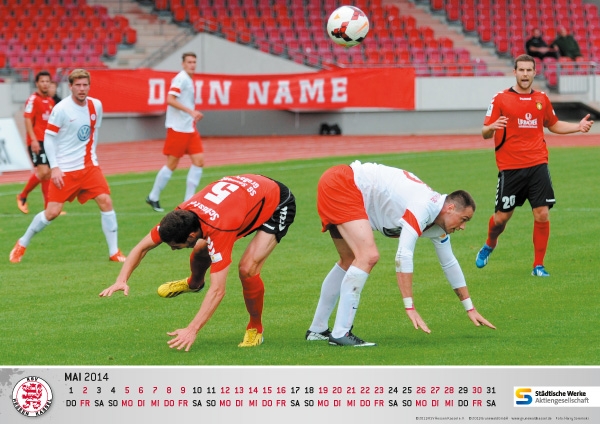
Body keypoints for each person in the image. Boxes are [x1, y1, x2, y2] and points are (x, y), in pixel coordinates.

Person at [306, 161, 496, 347]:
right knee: (368, 256)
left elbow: (449, 262)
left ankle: (318, 329)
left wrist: (470, 308)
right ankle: (341, 333)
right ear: (450, 208)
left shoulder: (438, 223)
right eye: (463, 219)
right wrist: (409, 306)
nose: (462, 227)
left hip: (340, 184)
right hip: (343, 183)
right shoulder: (424, 206)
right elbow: (403, 255)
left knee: (349, 261)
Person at [100, 173, 296, 350]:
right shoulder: (181, 214)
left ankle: (255, 327)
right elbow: (141, 248)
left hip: (277, 204)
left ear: (191, 235)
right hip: (246, 198)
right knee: (202, 249)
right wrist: (121, 280)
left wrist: (192, 329)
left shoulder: (220, 229)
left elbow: (218, 290)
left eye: (176, 246)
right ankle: (194, 284)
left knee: (247, 269)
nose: (173, 249)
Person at [476, 54, 593, 277]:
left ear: (534, 72)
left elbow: (553, 124)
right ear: (515, 72)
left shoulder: (541, 98)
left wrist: (577, 127)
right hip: (510, 168)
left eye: (529, 70)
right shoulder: (500, 98)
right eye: (521, 70)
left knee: (542, 214)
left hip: (538, 164)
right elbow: (484, 132)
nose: (525, 74)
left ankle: (538, 266)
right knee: (501, 219)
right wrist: (491, 127)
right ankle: (490, 243)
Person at [9, 69, 127, 264]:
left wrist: (93, 155)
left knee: (105, 201)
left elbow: (94, 132)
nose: (82, 89)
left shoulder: (96, 105)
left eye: (85, 85)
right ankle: (22, 242)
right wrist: (55, 167)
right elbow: (49, 138)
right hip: (65, 170)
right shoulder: (61, 109)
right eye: (78, 85)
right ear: (70, 87)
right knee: (52, 212)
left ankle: (114, 252)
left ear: (89, 86)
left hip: (88, 166)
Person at [146, 52, 205, 212]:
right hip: (178, 128)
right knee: (172, 164)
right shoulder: (181, 78)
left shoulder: (188, 79)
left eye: (194, 62)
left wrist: (191, 114)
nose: (192, 65)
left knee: (199, 161)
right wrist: (191, 111)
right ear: (183, 64)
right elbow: (170, 99)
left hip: (189, 127)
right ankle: (153, 196)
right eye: (189, 62)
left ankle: (188, 201)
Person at [16, 70, 55, 214]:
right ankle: (22, 195)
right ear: (37, 83)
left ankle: (48, 207)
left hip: (48, 141)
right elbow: (27, 119)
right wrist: (33, 140)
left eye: (47, 81)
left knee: (47, 174)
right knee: (43, 171)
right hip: (37, 141)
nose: (45, 84)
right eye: (42, 81)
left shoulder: (50, 101)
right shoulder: (33, 99)